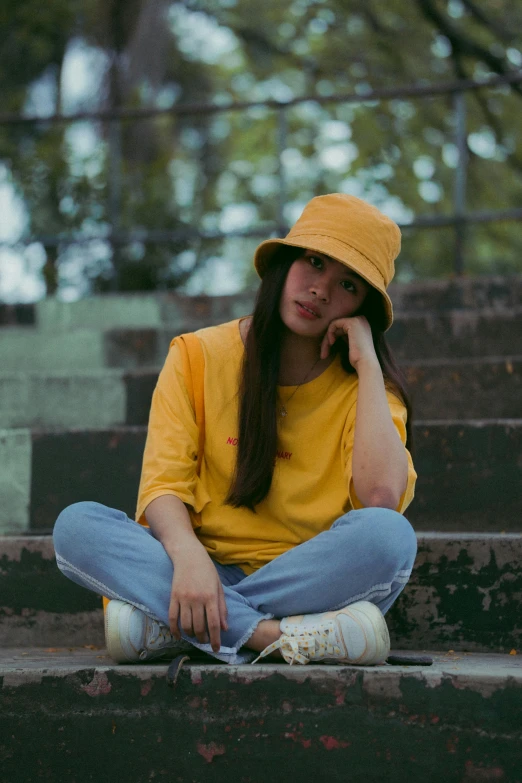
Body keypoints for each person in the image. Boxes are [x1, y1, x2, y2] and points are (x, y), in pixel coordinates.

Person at [53, 193, 417, 666]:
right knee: (77, 527)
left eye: (347, 284)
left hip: (309, 579)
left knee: (389, 537)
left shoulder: (368, 389)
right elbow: (163, 486)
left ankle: (179, 628)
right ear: (284, 264)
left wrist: (367, 363)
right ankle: (275, 638)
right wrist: (189, 561)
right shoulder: (197, 356)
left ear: (363, 308)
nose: (321, 290)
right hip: (195, 571)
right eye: (313, 262)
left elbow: (381, 498)